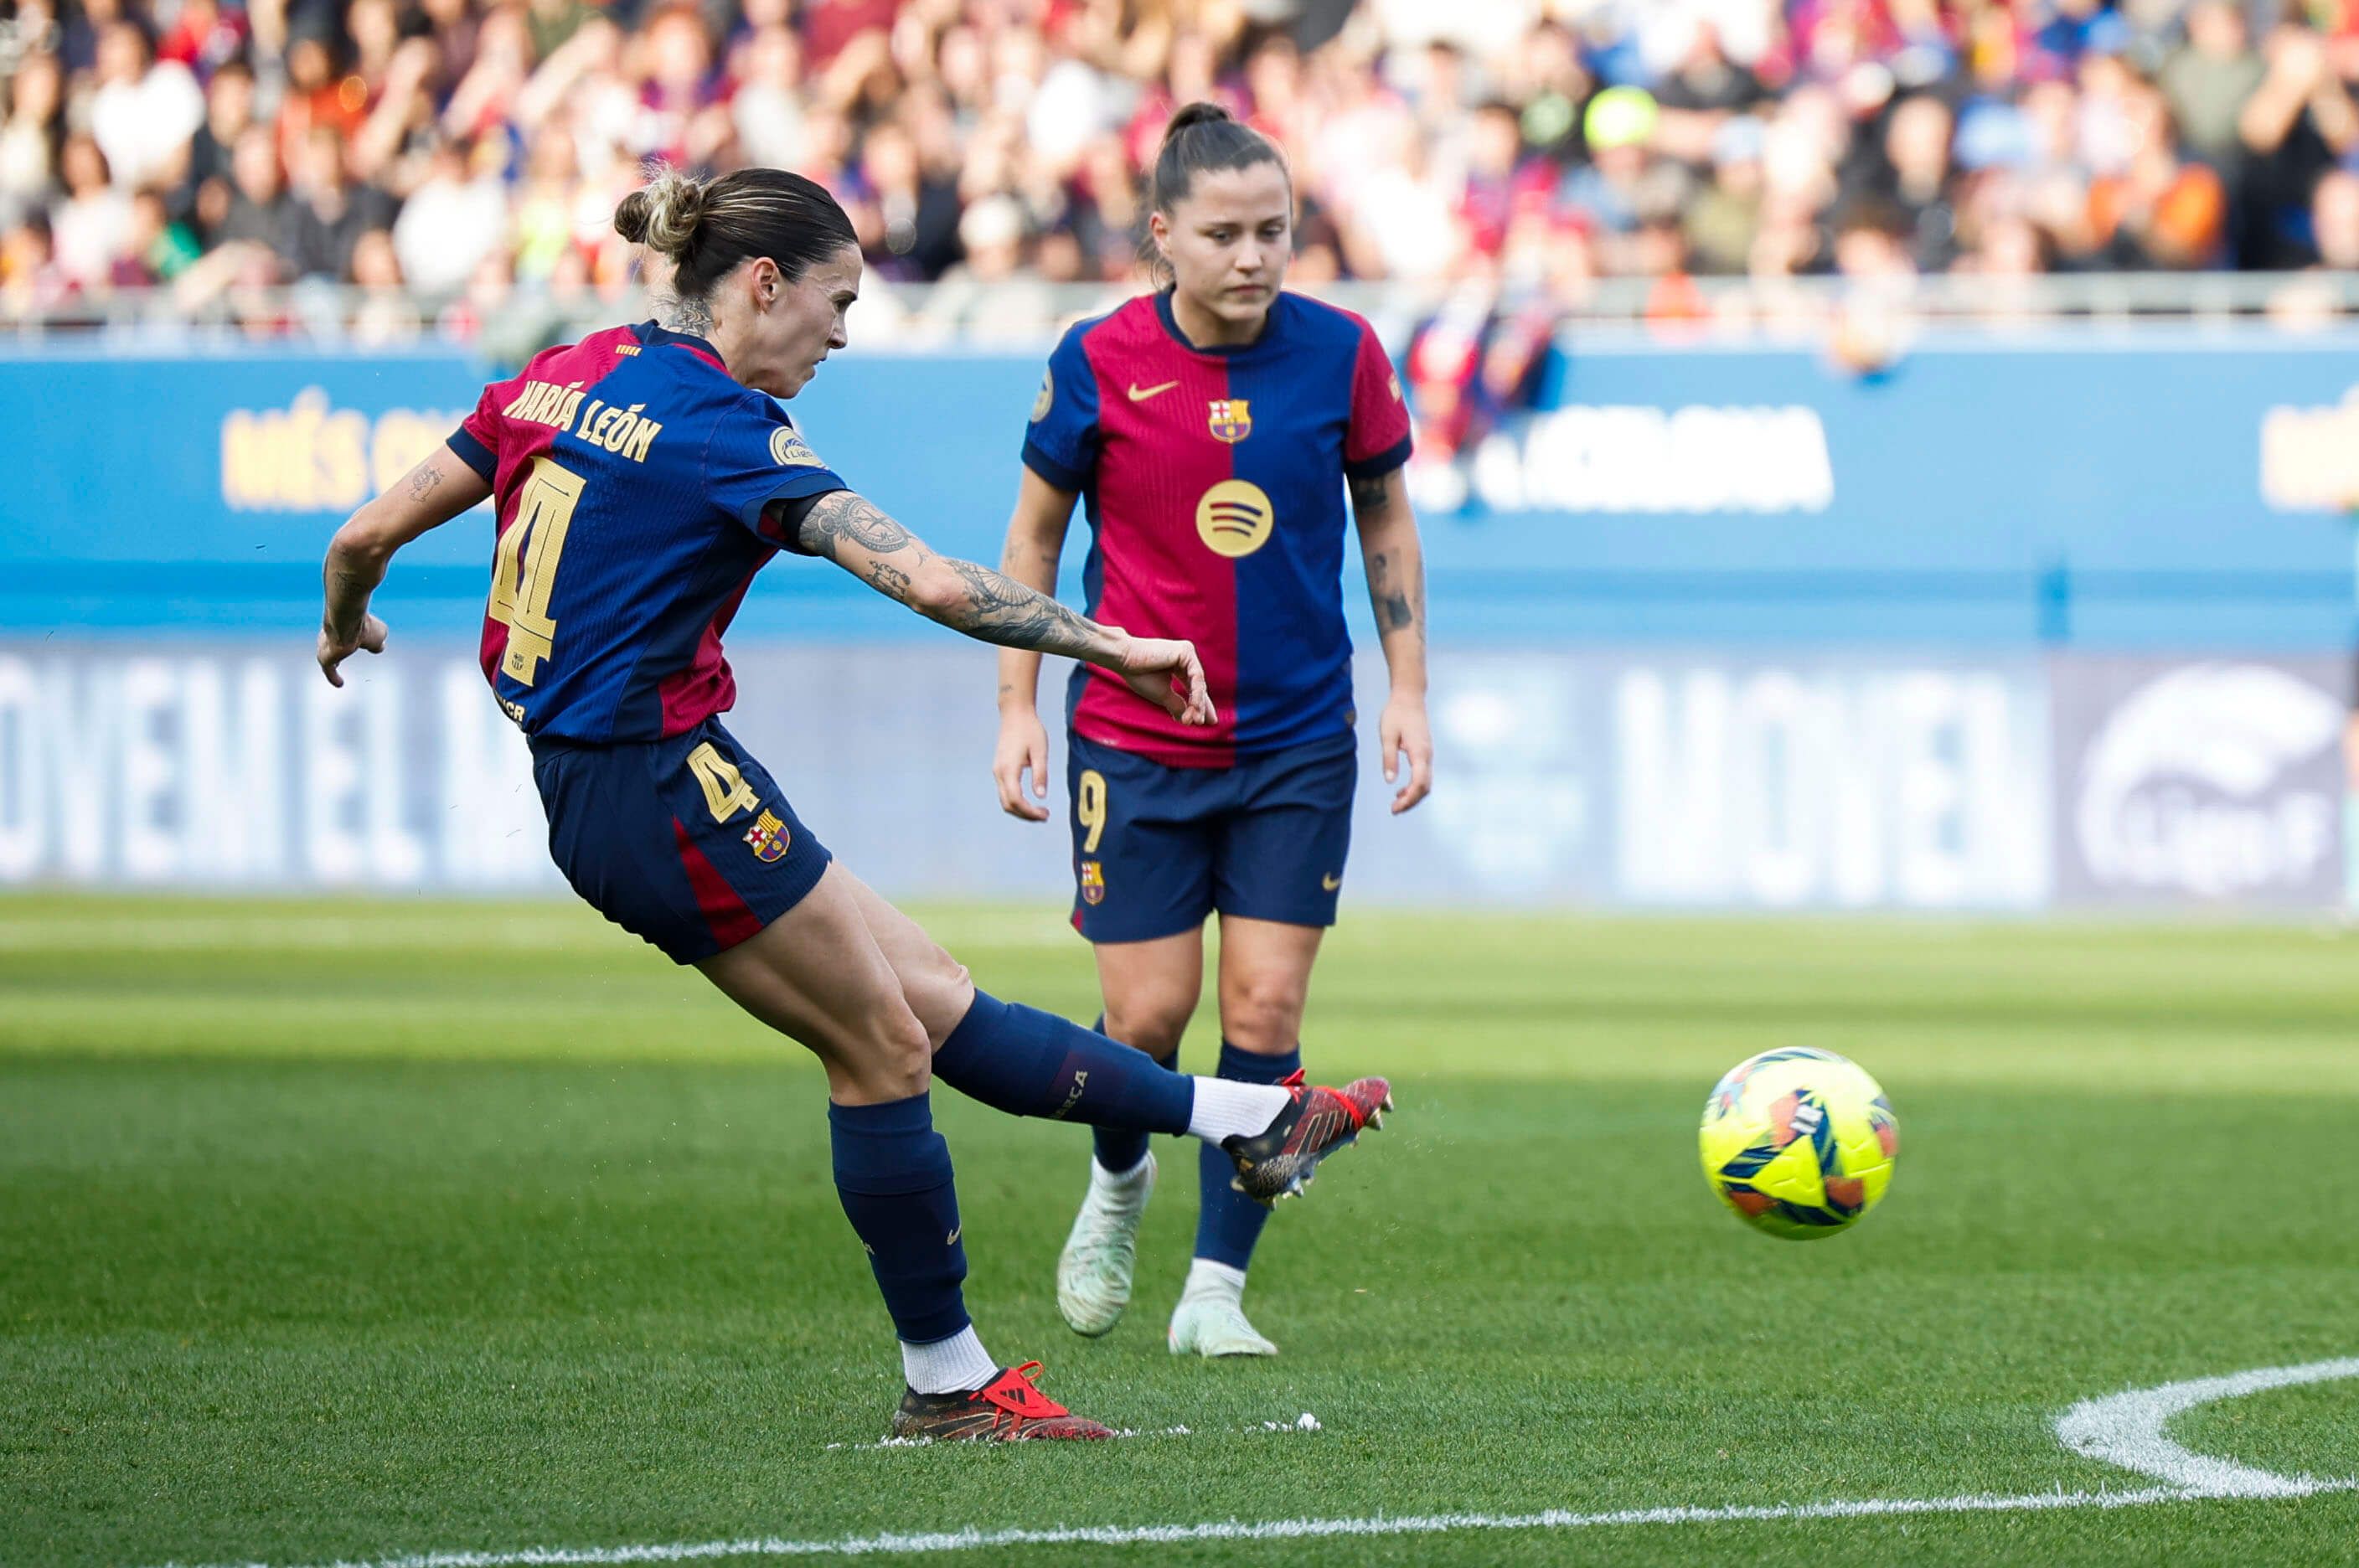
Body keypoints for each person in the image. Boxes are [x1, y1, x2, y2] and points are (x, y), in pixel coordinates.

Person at [312, 164, 1392, 1442]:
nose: (840, 334)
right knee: (880, 1049)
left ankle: (1258, 1119)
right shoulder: (729, 429)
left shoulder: (568, 369)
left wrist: (347, 624)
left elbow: (359, 537)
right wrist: (1115, 648)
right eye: (834, 302)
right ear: (761, 284)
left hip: (633, 776)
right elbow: (935, 585)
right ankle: (947, 1380)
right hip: (652, 785)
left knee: (933, 997)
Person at [991, 103, 1432, 1359]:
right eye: (1227, 233)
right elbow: (1031, 545)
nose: (1254, 256)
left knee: (1269, 1005)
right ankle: (1119, 1183)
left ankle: (1214, 1293)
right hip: (1134, 739)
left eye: (1275, 231)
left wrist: (1405, 687)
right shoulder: (1095, 359)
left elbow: (1387, 525)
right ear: (1163, 236)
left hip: (1298, 736)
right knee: (1142, 1022)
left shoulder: (1343, 353)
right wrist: (1018, 703)